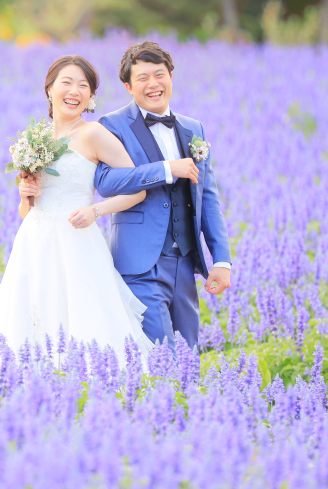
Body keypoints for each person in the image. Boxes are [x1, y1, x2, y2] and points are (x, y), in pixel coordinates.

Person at [0, 55, 192, 369]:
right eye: (66, 83)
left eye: (83, 86)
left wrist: (96, 210)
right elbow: (29, 212)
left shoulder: (92, 134)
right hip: (33, 245)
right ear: (49, 89)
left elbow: (137, 189)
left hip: (77, 243)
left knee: (85, 324)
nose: (75, 91)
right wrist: (25, 195)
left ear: (91, 96)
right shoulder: (35, 141)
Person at [94, 41, 232, 352]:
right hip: (140, 263)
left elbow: (208, 197)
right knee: (161, 357)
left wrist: (222, 260)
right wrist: (166, 169)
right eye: (142, 78)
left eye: (159, 74)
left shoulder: (193, 128)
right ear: (129, 86)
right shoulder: (113, 125)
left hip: (185, 263)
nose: (153, 84)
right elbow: (106, 183)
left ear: (171, 76)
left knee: (188, 356)